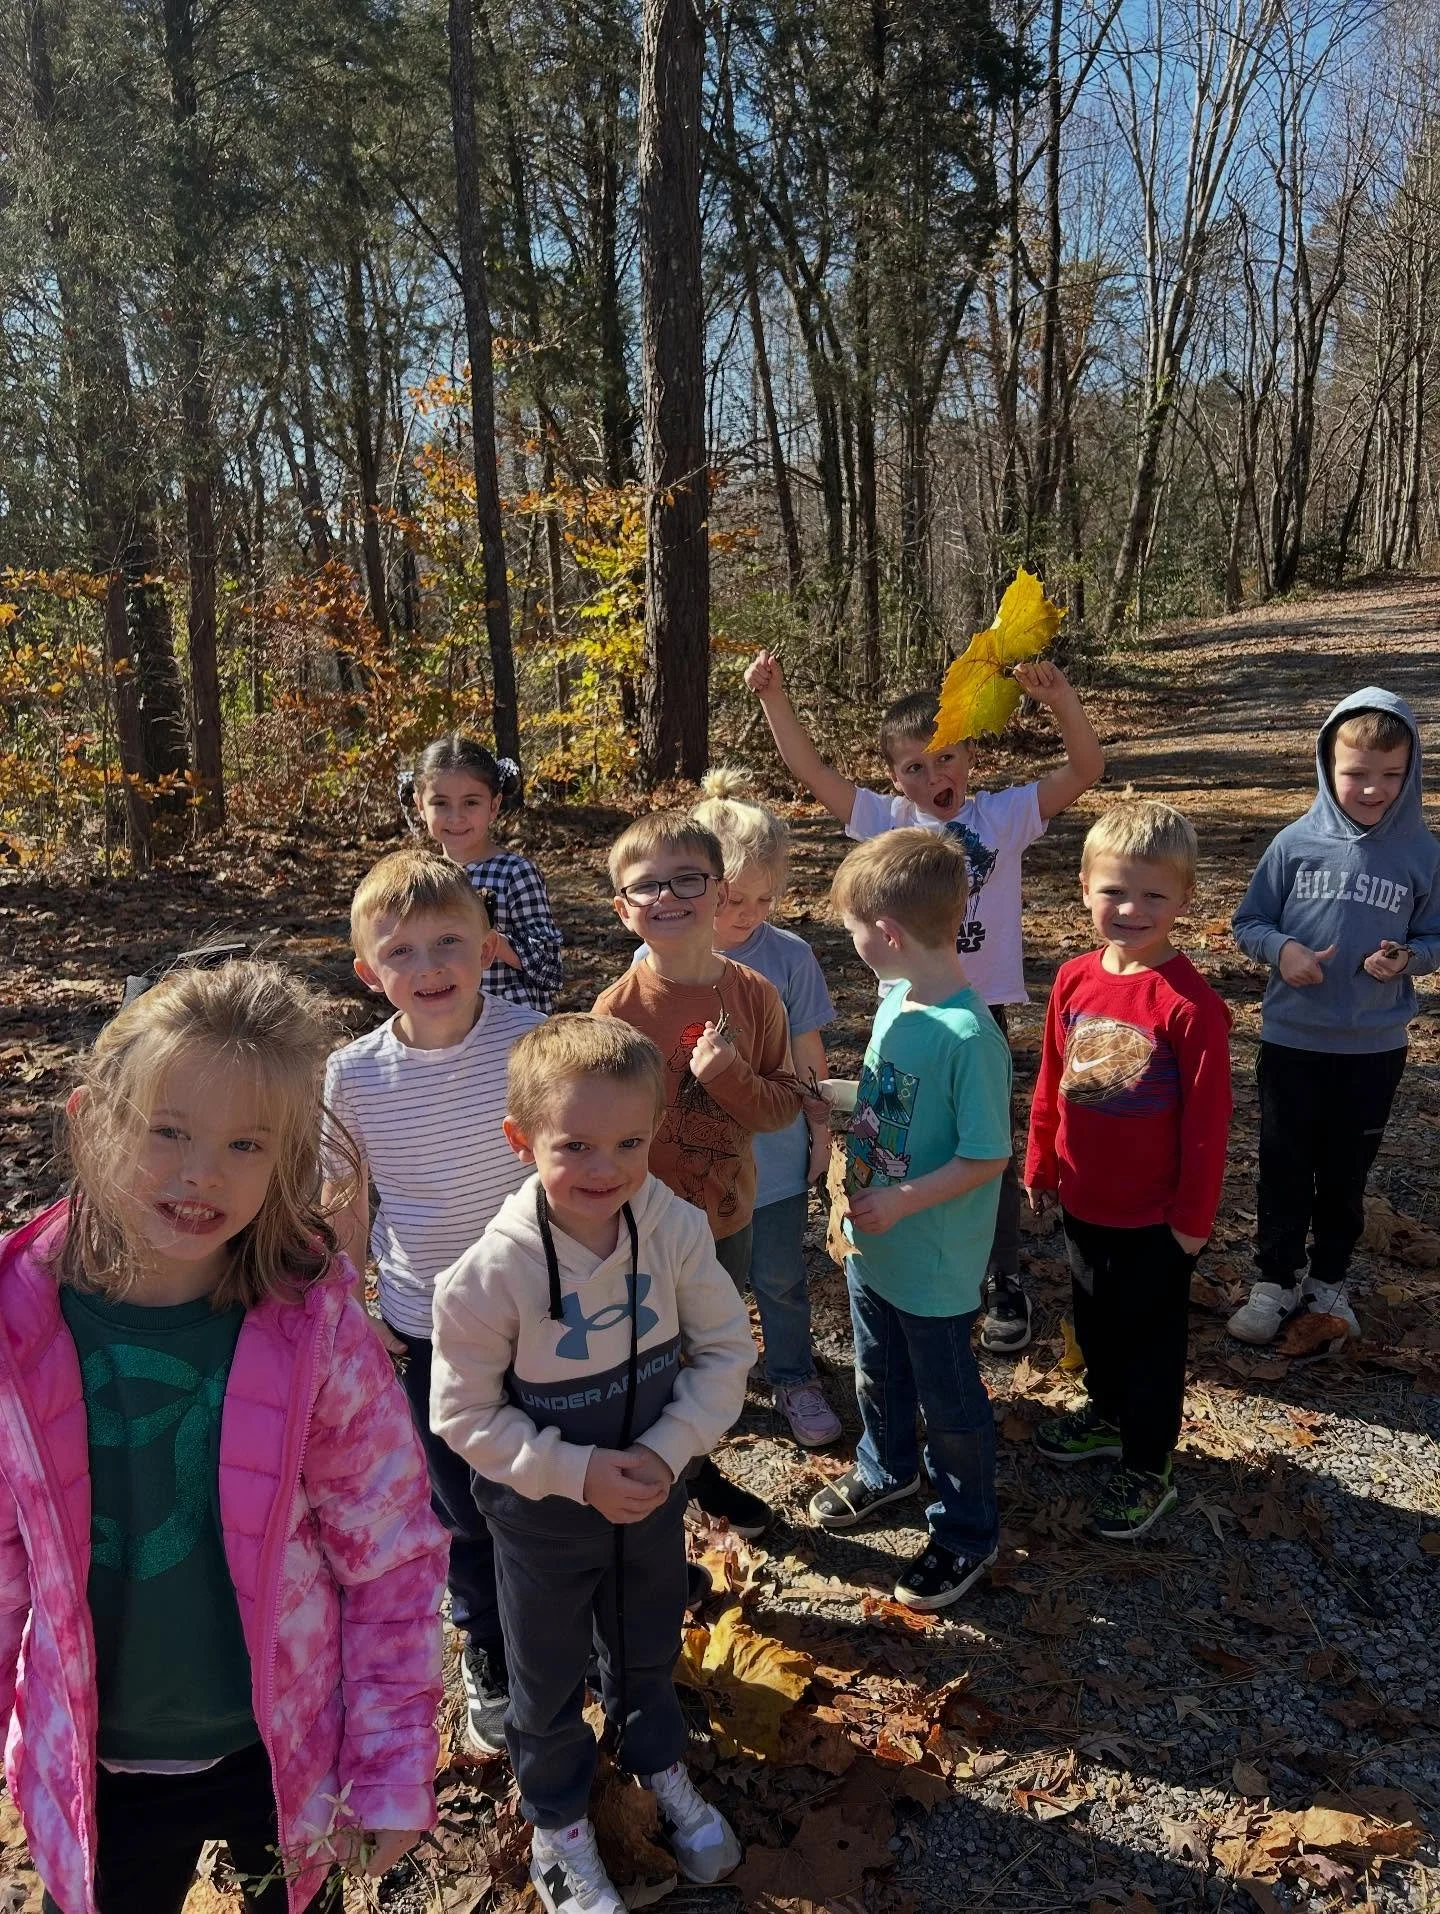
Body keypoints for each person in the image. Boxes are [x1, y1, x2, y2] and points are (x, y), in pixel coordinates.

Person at [0, 961, 446, 1914]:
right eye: (168, 1132)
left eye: (247, 1144)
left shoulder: (316, 1333)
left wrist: (391, 1766)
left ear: (286, 1165)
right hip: (98, 1757)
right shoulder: (16, 1329)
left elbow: (391, 1560)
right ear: (90, 1122)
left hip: (282, 1750)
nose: (203, 1173)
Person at [430, 1015, 753, 1914]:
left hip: (651, 1496)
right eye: (574, 1144)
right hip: (541, 1519)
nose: (604, 1168)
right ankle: (560, 1824)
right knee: (546, 1674)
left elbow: (726, 1351)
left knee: (648, 1643)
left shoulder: (676, 1228)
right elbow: (459, 1412)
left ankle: (657, 1763)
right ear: (519, 1139)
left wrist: (662, 1452)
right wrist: (575, 1475)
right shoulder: (492, 1273)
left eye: (629, 1142)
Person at [744, 647, 1105, 1358]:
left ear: (969, 754)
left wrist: (1060, 700)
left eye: (945, 758)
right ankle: (905, 1253)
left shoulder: (1002, 817)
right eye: (914, 766)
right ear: (893, 778)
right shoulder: (883, 820)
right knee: (904, 1140)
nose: (934, 776)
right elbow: (811, 771)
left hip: (976, 1015)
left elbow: (1085, 770)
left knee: (980, 1147)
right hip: (903, 1014)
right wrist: (772, 700)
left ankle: (1000, 1276)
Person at [323, 849, 544, 1754]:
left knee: (552, 1477)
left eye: (449, 942)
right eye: (401, 952)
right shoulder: (353, 1075)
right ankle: (487, 1640)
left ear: (489, 947)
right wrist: (353, 1302)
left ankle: (585, 1624)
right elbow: (345, 1194)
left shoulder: (532, 1039)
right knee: (459, 1499)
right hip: (426, 1321)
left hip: (543, 1310)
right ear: (369, 974)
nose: (430, 967)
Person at [808, 831, 1012, 1611]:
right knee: (878, 1368)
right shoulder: (897, 999)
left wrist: (900, 1201)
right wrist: (835, 1096)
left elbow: (986, 1156)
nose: (852, 941)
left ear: (886, 932)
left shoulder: (969, 1036)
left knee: (948, 1397)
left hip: (929, 1257)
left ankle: (966, 1531)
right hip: (874, 1244)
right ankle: (886, 1467)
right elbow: (894, 1102)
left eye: (853, 928)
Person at [1024, 802, 1232, 1540]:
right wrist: (1041, 1160)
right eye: (1115, 891)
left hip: (1154, 1219)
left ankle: (1148, 1462)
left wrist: (1191, 1223)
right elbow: (1053, 1076)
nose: (1131, 909)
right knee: (1095, 1318)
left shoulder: (1190, 1006)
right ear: (1084, 886)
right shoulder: (1076, 978)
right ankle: (1107, 1415)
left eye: (1153, 896)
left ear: (1184, 900)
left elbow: (1209, 1124)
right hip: (1084, 1197)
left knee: (1150, 1342)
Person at [593, 814, 805, 1536]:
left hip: (725, 1218)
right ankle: (669, 1490)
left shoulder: (754, 997)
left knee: (709, 1358)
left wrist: (729, 1077)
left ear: (719, 893)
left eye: (688, 879)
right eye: (647, 885)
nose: (669, 896)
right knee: (645, 1361)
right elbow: (595, 1132)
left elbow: (783, 1106)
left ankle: (696, 1471)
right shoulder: (616, 1013)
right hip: (641, 1227)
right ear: (624, 909)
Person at [629, 771, 839, 1447]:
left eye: (763, 899)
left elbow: (807, 1054)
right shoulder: (653, 958)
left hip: (770, 1165)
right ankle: (698, 1386)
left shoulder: (789, 958)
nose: (747, 913)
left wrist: (820, 1126)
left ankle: (793, 1375)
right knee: (693, 1283)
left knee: (777, 1277)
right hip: (686, 1172)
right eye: (734, 899)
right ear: (704, 888)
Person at [1228, 690, 1440, 1346]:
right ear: (1326, 765)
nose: (1371, 789)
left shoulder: (1423, 854)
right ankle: (1275, 1279)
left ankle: (1328, 1281)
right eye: (1355, 774)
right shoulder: (1295, 844)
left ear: (1411, 773)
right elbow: (1249, 922)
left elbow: (1434, 939)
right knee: (1285, 1163)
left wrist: (1407, 960)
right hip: (1293, 1038)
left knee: (1347, 1173)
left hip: (1373, 1048)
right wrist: (1283, 949)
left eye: (1389, 775)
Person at [405, 732, 564, 1013]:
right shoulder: (420, 878)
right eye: (440, 803)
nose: (456, 817)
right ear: (420, 805)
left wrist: (488, 937)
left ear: (493, 805)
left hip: (510, 1019)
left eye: (471, 802)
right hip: (446, 1014)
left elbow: (549, 967)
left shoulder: (515, 872)